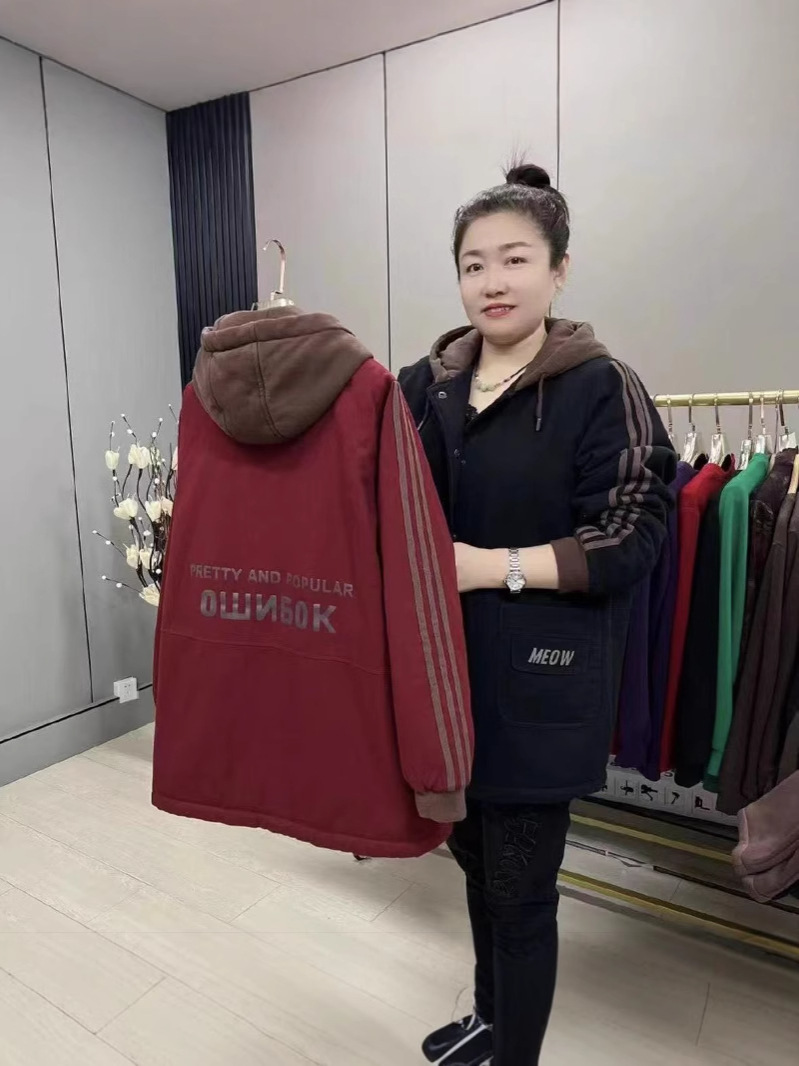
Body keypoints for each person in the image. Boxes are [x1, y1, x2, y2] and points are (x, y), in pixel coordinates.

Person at [398, 163, 675, 1066]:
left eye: (514, 259)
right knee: (474, 865)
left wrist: (486, 567)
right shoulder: (425, 387)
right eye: (473, 264)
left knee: (520, 895)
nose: (493, 281)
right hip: (443, 681)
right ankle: (490, 1022)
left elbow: (631, 536)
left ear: (558, 270)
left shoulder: (600, 385)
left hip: (540, 687)